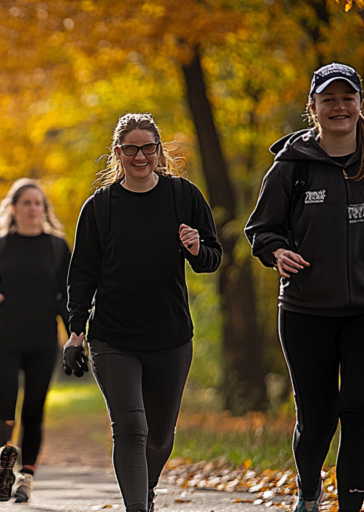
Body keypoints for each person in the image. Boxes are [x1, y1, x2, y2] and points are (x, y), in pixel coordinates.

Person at [244, 63, 364, 512]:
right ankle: (309, 489)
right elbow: (261, 228)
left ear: (359, 104)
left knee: (359, 413)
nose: (339, 107)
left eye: (346, 98)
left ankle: (350, 506)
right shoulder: (291, 166)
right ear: (312, 108)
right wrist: (276, 251)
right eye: (328, 99)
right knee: (317, 422)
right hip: (306, 310)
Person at [66, 113, 222, 512]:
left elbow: (212, 260)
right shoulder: (100, 207)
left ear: (158, 150)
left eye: (148, 148)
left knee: (160, 437)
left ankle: (145, 490)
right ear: (118, 153)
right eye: (131, 148)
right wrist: (76, 331)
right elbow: (82, 274)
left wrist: (195, 248)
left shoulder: (183, 196)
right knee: (131, 427)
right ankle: (137, 505)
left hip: (169, 336)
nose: (140, 156)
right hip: (113, 337)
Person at [0, 178, 70, 503]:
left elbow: (69, 297)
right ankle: (4, 459)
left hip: (43, 341)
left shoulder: (56, 247)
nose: (33, 208)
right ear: (13, 208)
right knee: (3, 410)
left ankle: (26, 478)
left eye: (38, 203)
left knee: (34, 412)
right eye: (26, 202)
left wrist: (75, 338)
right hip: (1, 340)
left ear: (44, 209)